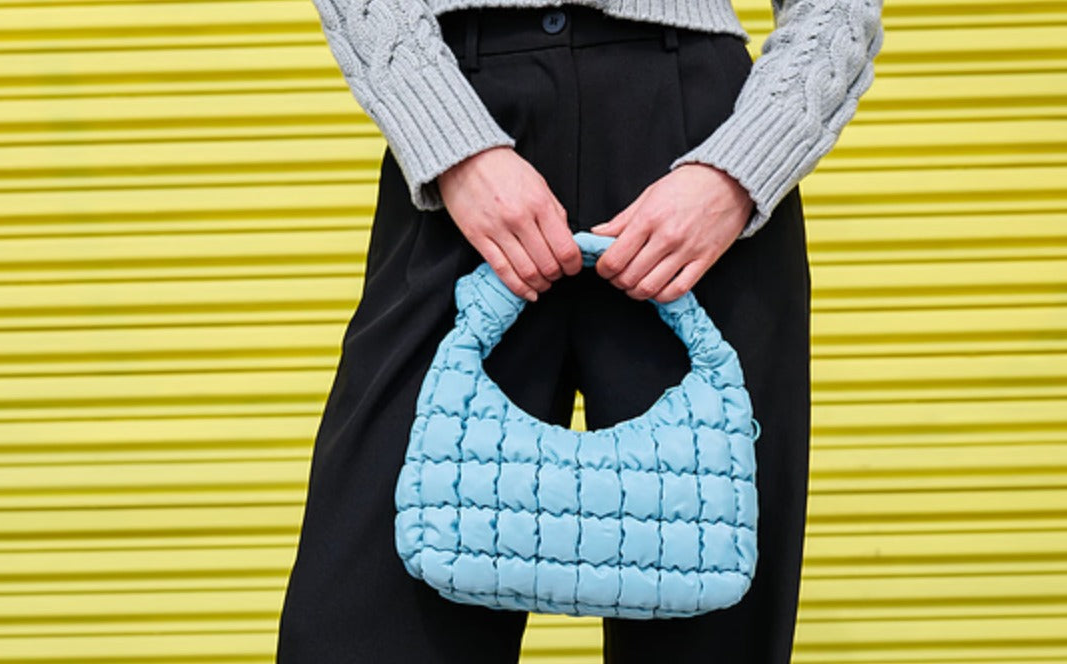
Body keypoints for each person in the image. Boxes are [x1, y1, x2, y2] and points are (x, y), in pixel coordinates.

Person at [278, 0, 884, 662]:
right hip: (466, 128)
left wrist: (741, 167)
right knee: (359, 622)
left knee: (711, 622)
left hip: (699, 161)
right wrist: (449, 142)